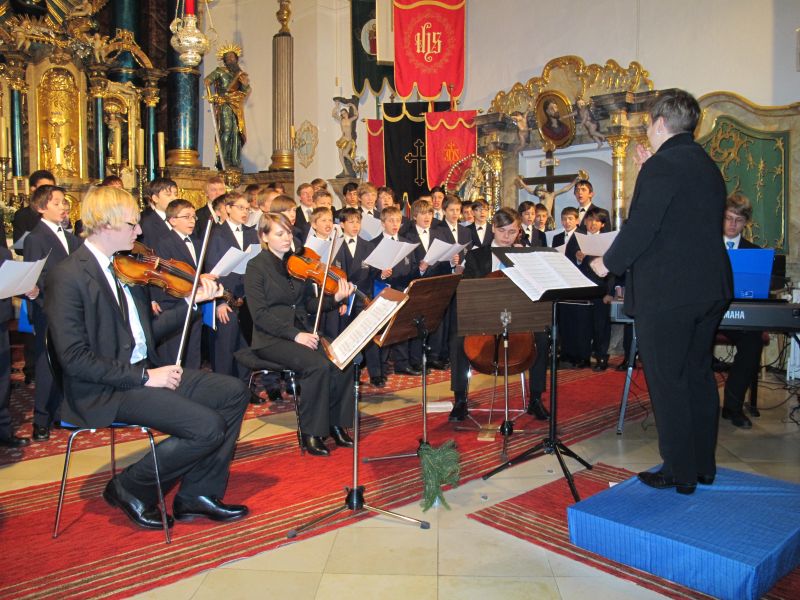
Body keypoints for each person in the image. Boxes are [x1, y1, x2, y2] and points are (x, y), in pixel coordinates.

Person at [45, 185, 249, 529]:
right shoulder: (68, 276)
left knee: (233, 392)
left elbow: (146, 334)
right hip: (104, 388)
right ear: (106, 224)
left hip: (141, 373)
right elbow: (75, 359)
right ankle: (131, 486)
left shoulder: (126, 267)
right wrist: (145, 378)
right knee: (206, 427)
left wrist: (191, 303)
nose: (139, 231)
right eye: (132, 224)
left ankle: (197, 494)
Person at [598, 89, 732, 495]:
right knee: (698, 375)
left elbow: (643, 225)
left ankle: (679, 470)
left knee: (667, 380)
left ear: (659, 123)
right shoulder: (706, 164)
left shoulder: (662, 167)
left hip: (669, 292)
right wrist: (650, 168)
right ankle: (703, 466)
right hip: (709, 287)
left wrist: (607, 264)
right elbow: (680, 218)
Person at [244, 213, 356, 457]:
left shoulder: (296, 263)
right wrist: (295, 335)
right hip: (271, 338)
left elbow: (308, 305)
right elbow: (260, 315)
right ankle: (311, 432)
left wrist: (334, 298)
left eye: (288, 232)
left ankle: (336, 424)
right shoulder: (255, 267)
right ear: (264, 237)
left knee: (343, 360)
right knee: (317, 366)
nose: (287, 238)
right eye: (279, 233)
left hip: (303, 332)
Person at [448, 207, 550, 421]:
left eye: (512, 232)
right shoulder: (476, 255)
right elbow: (468, 289)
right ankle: (460, 399)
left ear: (519, 231)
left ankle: (536, 399)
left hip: (518, 316)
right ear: (493, 228)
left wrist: (525, 262)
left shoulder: (525, 256)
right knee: (457, 338)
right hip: (485, 316)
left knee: (541, 337)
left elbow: (537, 289)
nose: (506, 237)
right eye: (502, 231)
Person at [23, 185, 83, 440]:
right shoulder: (35, 238)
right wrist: (39, 296)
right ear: (40, 208)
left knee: (67, 361)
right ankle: (41, 418)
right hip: (47, 307)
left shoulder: (70, 237)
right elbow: (34, 275)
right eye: (56, 203)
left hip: (70, 308)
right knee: (47, 363)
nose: (63, 207)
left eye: (64, 202)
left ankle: (61, 412)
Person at [720, 192, 765, 429]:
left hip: (738, 315)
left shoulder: (753, 252)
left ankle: (733, 406)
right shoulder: (707, 248)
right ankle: (701, 405)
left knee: (752, 342)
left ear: (745, 222)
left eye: (738, 220)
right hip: (709, 314)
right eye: (728, 218)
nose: (732, 224)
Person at [206, 192, 258, 379]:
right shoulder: (216, 234)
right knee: (225, 345)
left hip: (247, 296)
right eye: (240, 208)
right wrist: (219, 301)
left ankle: (245, 384)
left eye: (247, 209)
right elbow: (211, 269)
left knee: (245, 344)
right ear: (228, 209)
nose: (245, 212)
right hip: (226, 297)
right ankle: (224, 385)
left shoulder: (252, 233)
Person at [0, 247, 37, 447]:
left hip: (0, 323)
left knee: (2, 379)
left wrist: (30, 290)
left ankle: (3, 430)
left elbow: (12, 284)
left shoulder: (3, 254)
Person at [205, 46, 250, 169]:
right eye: (227, 58)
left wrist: (245, 85)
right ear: (224, 60)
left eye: (232, 57)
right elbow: (207, 81)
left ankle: (234, 160)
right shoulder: (219, 71)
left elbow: (244, 91)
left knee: (236, 132)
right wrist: (211, 96)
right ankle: (223, 159)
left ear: (236, 59)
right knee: (226, 129)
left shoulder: (239, 74)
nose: (230, 59)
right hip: (224, 104)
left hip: (236, 105)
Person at [12, 170, 56, 258]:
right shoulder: (23, 215)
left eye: (52, 188)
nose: (49, 192)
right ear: (33, 189)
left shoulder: (58, 212)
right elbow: (19, 248)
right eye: (44, 188)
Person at [139, 178, 178, 248]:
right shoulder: (148, 223)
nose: (174, 198)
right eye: (168, 195)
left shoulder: (180, 218)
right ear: (155, 198)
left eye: (175, 194)